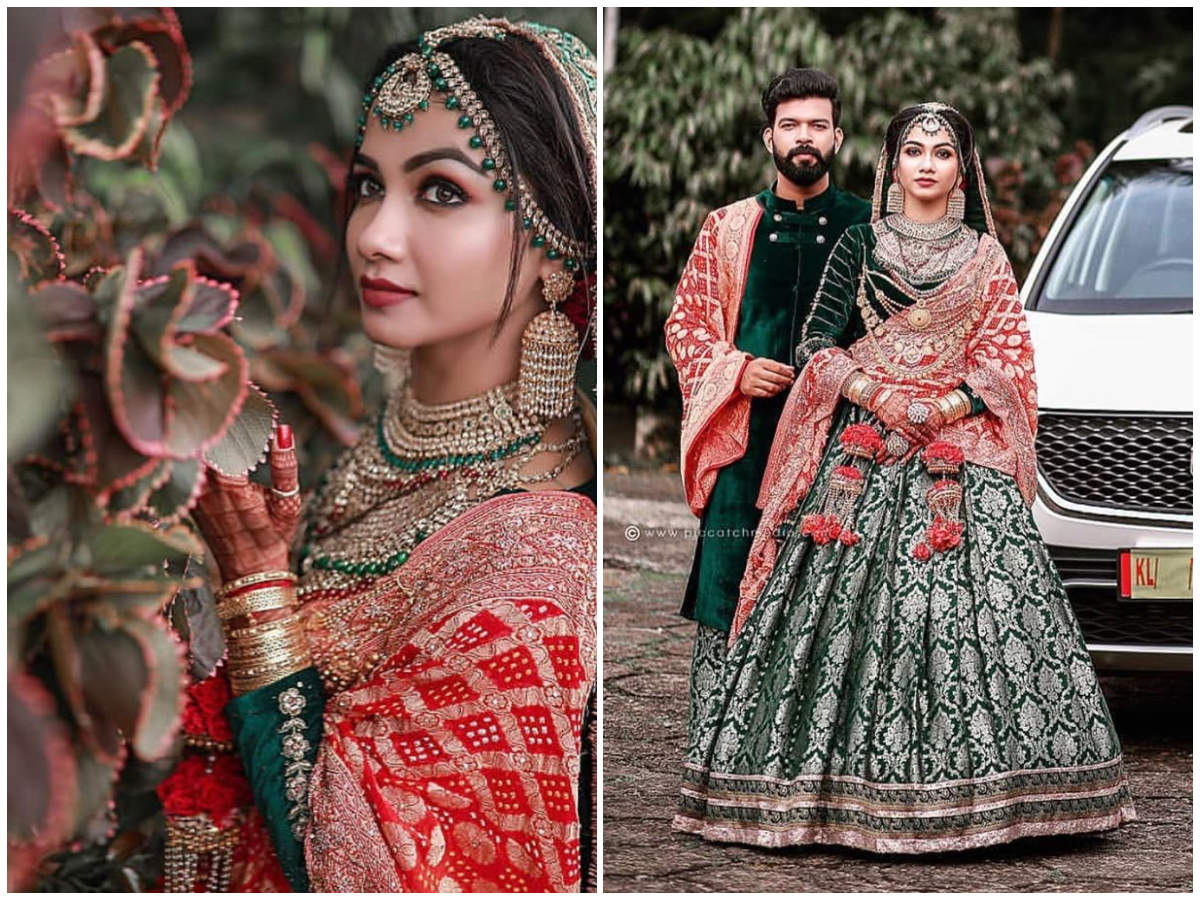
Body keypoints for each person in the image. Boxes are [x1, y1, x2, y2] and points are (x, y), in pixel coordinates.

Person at [178, 18, 598, 891]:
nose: (374, 233)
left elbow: (379, 872)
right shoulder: (386, 447)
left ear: (556, 242)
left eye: (440, 191)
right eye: (369, 185)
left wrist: (256, 586)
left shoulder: (535, 570)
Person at [672, 102, 1137, 853]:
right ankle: (823, 793)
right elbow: (817, 343)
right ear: (893, 164)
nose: (927, 163)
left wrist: (947, 404)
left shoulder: (985, 256)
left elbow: (1011, 361)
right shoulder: (859, 243)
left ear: (962, 169)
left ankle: (1002, 795)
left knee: (975, 614)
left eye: (942, 152)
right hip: (863, 447)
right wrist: (882, 395)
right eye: (914, 150)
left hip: (958, 456)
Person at [664, 69, 871, 769]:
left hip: (843, 447)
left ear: (836, 137)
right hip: (746, 438)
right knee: (729, 585)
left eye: (817, 125)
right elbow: (686, 325)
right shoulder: (729, 227)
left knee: (828, 597)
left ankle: (816, 765)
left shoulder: (869, 230)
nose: (804, 137)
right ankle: (718, 759)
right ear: (768, 138)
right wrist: (736, 371)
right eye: (791, 125)